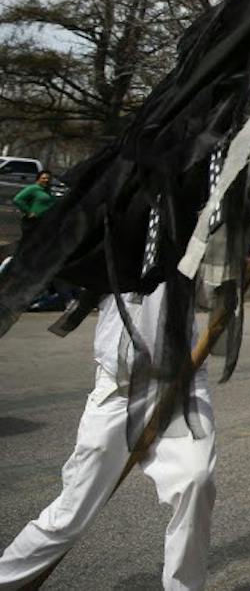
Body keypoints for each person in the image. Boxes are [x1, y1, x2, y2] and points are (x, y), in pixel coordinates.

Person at [0, 271, 234, 590]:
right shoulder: (114, 226)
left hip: (182, 383)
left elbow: (210, 294)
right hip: (117, 387)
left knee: (196, 480)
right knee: (70, 516)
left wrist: (243, 266)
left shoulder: (198, 228)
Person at [11, 169, 57, 236]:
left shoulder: (47, 191)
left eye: (48, 178)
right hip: (33, 222)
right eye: (43, 178)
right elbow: (17, 200)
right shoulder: (33, 188)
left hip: (44, 222)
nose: (46, 180)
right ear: (38, 179)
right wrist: (28, 212)